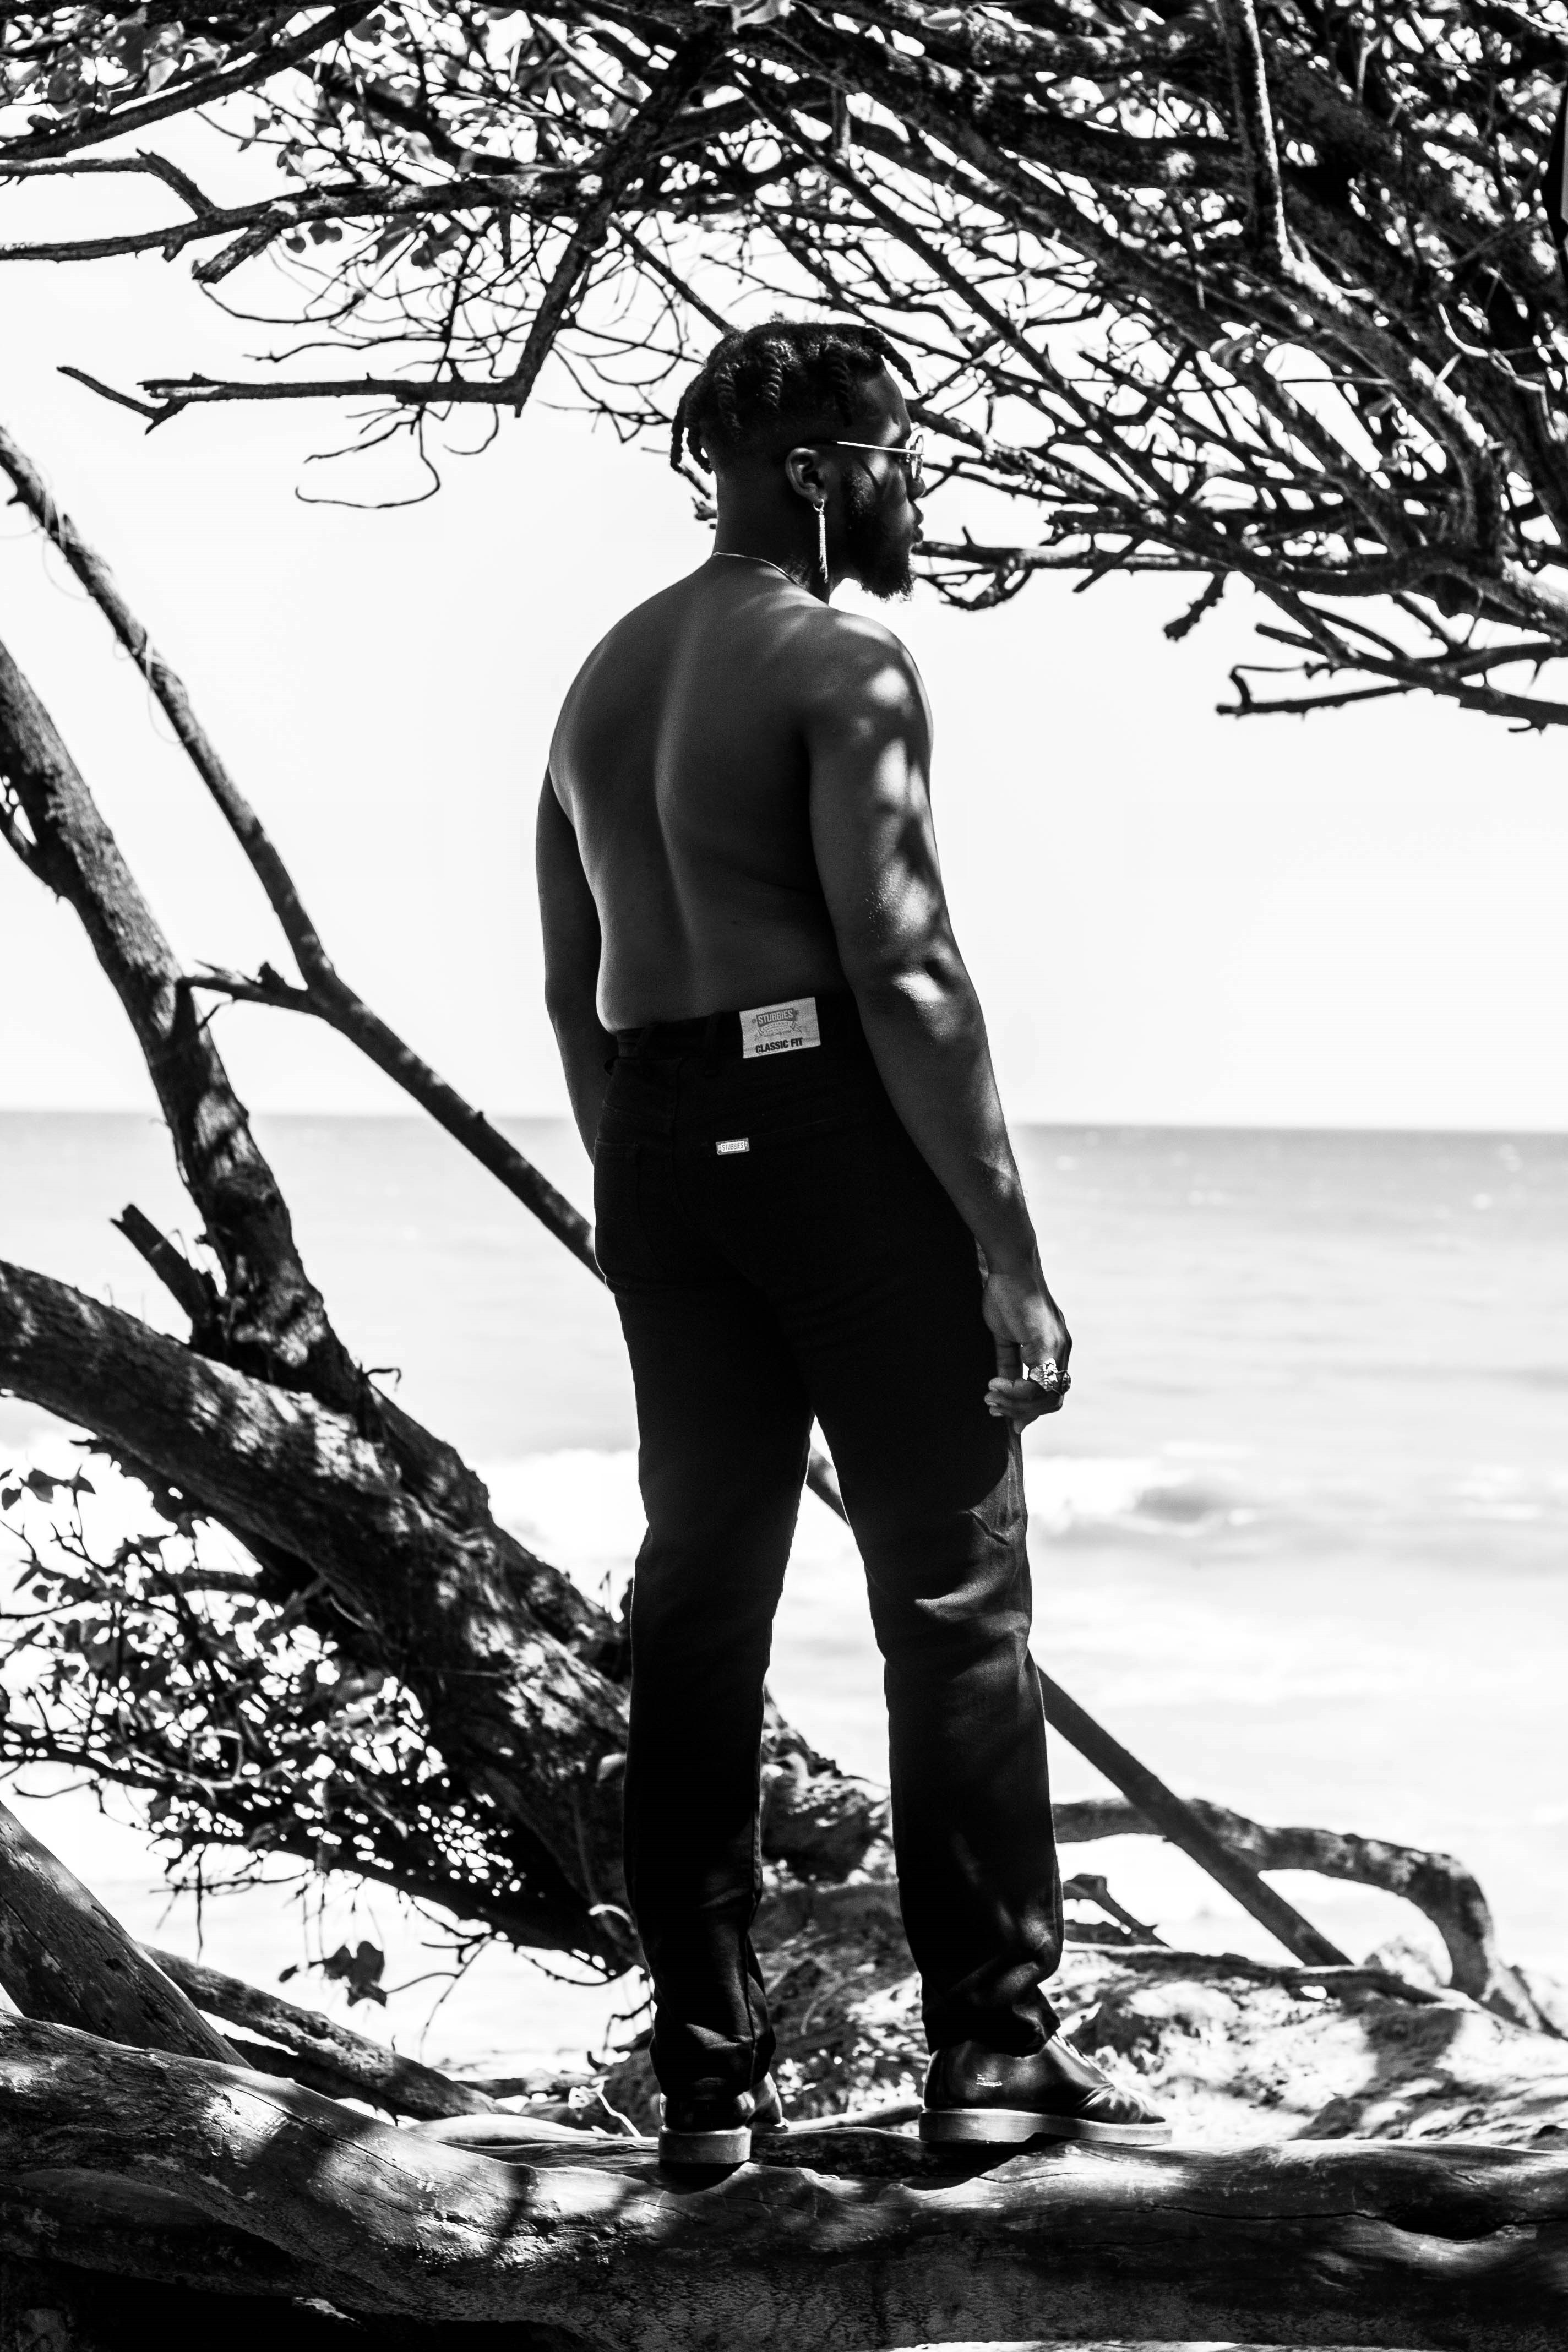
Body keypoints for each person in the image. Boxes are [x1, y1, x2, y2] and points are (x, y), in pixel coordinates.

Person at [538, 318, 1167, 2165]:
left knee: (700, 1606)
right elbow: (903, 969)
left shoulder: (599, 679)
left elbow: (572, 987)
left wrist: (646, 1191)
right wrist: (1008, 1246)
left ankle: (707, 2082)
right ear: (819, 469)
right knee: (956, 1600)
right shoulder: (841, 663)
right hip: (831, 1132)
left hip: (659, 1146)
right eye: (896, 450)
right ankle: (987, 2057)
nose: (911, 484)